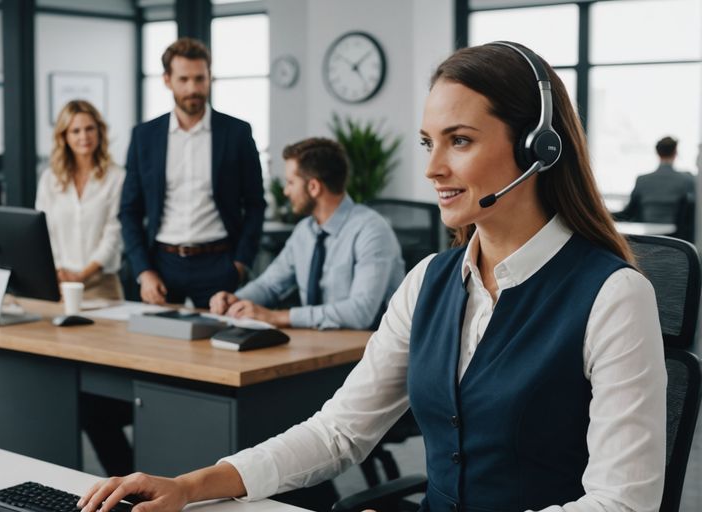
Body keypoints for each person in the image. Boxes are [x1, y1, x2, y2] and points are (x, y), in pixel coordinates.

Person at [79, 42, 666, 512]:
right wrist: (191, 486)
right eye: (427, 143)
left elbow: (623, 501)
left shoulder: (612, 296)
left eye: (459, 141)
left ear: (538, 148)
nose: (433, 168)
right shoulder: (429, 282)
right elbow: (338, 433)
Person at [120, 37, 266, 307]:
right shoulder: (144, 136)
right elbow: (129, 210)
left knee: (221, 345)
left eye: (200, 79)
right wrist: (144, 271)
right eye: (184, 80)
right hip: (161, 264)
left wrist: (240, 263)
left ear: (210, 77)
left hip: (219, 263)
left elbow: (256, 204)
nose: (193, 89)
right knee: (159, 346)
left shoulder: (237, 133)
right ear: (167, 80)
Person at [209, 137, 404, 330]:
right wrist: (236, 299)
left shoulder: (372, 231)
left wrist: (277, 316)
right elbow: (270, 285)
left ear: (313, 187)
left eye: (291, 183)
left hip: (365, 350)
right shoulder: (305, 231)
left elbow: (360, 313)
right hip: (316, 344)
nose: (285, 191)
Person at [36, 100, 125, 301]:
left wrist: (81, 276)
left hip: (102, 285)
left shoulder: (117, 177)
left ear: (99, 132)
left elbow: (114, 235)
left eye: (89, 129)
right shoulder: (50, 179)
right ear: (64, 136)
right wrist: (60, 271)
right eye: (75, 131)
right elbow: (44, 232)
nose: (84, 136)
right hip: (59, 284)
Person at [616, 136, 695, 224]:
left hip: (648, 235)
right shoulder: (687, 180)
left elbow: (628, 213)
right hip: (676, 236)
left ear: (657, 152)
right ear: (675, 153)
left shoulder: (642, 180)